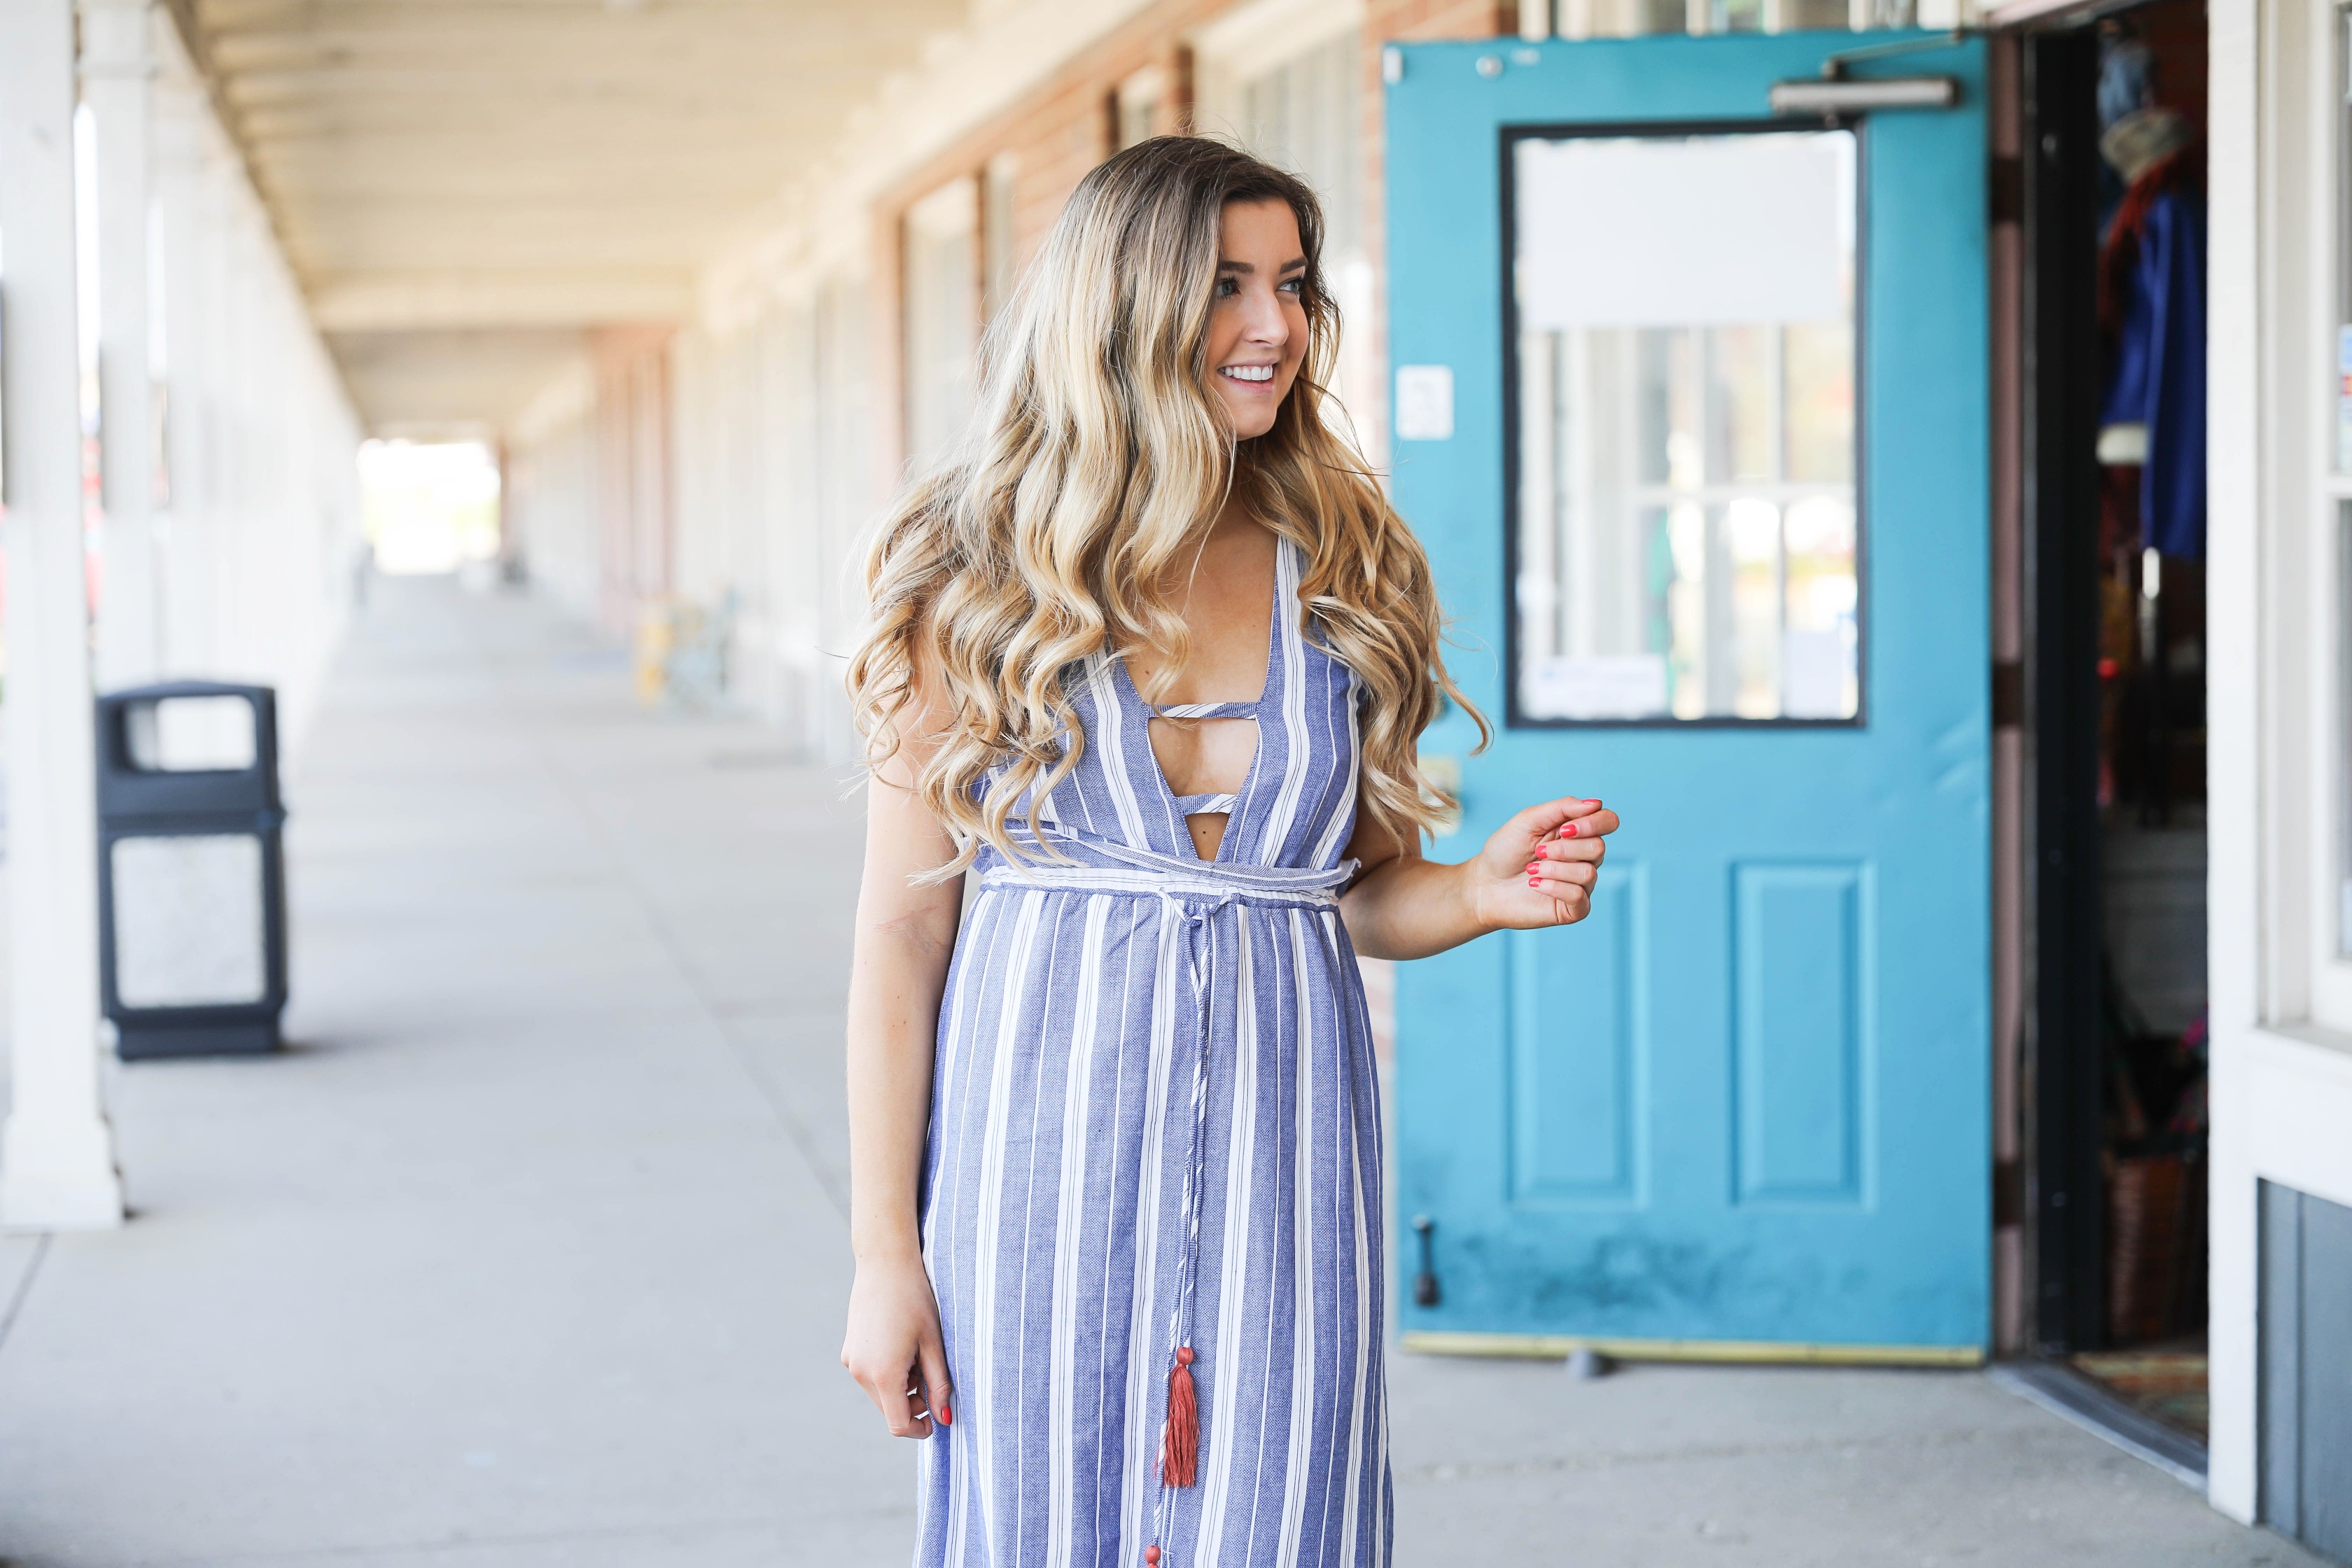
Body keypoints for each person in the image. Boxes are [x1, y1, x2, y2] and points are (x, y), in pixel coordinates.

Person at [839, 135, 1620, 1568]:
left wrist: (1475, 893)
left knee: (1288, 1524)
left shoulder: (1344, 553)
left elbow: (1360, 890)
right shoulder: (973, 573)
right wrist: (886, 1253)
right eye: (1227, 285)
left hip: (1289, 1174)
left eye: (1292, 285)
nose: (1275, 326)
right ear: (1120, 307)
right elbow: (902, 936)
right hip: (1031, 1182)